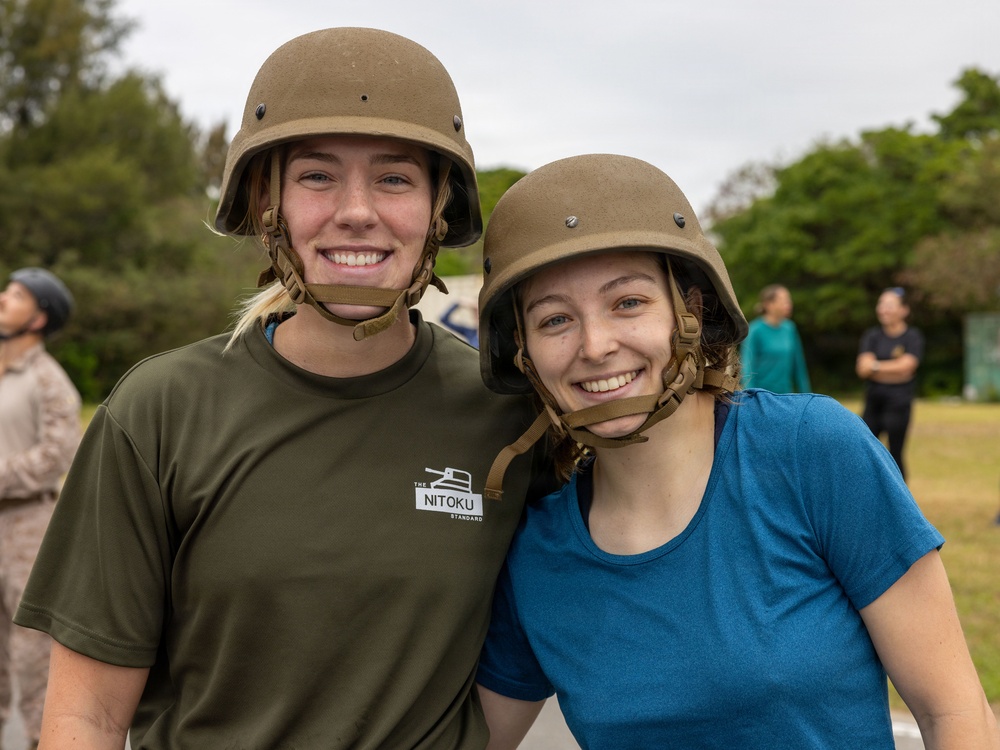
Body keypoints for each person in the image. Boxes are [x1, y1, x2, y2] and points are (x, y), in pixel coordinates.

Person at [14, 28, 549, 749]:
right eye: (317, 176)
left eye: (394, 179)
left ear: (437, 210)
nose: (356, 210)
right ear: (269, 204)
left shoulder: (509, 414)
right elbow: (86, 718)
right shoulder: (161, 410)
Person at [473, 154, 1000, 749]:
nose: (595, 345)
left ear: (690, 310)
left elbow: (956, 714)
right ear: (523, 352)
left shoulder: (811, 452)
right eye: (555, 319)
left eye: (628, 303)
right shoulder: (539, 554)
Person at [0, 268, 80, 750]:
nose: (3, 298)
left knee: (32, 653)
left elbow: (57, 455)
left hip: (29, 526)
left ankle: (37, 741)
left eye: (16, 294)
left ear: (39, 318)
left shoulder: (51, 382)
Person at [856, 287, 923, 480]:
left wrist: (875, 366)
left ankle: (900, 505)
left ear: (904, 310)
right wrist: (893, 368)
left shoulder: (912, 337)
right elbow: (862, 369)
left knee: (895, 454)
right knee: (865, 452)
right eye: (881, 304)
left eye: (889, 305)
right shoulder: (872, 336)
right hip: (873, 401)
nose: (883, 309)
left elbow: (907, 367)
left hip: (899, 403)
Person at [740, 283, 811, 393]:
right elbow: (747, 368)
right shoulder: (755, 330)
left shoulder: (790, 328)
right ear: (769, 304)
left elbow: (799, 365)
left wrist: (807, 394)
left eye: (789, 300)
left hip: (785, 395)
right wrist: (750, 396)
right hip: (762, 395)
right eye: (784, 301)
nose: (789, 304)